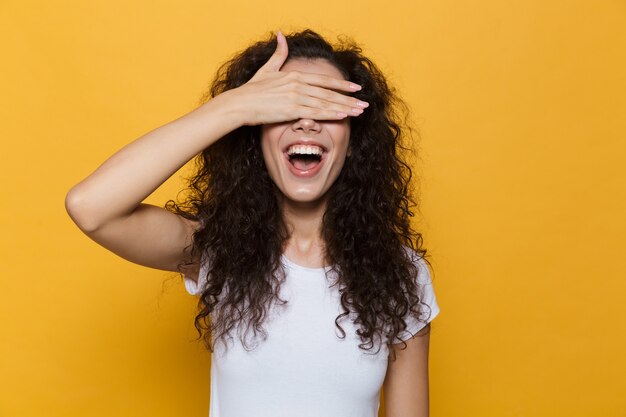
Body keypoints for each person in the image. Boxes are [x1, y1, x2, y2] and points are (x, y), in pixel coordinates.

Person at [65, 28, 441, 417]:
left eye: (327, 108)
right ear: (256, 135)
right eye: (284, 107)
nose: (307, 123)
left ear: (354, 141)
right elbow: (91, 208)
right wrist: (234, 108)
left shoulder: (402, 276)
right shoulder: (219, 252)